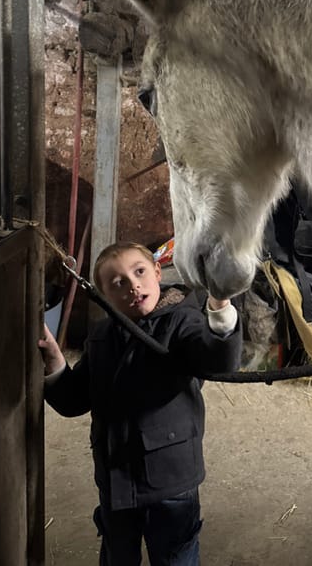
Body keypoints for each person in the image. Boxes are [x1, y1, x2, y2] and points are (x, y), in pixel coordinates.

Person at [39, 241, 242, 566]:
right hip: (115, 480)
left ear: (158, 272)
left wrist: (220, 303)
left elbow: (217, 360)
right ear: (103, 294)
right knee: (118, 555)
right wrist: (54, 362)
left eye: (139, 272)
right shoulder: (102, 335)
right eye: (118, 283)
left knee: (176, 556)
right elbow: (75, 398)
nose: (133, 285)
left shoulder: (182, 323)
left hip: (170, 483)